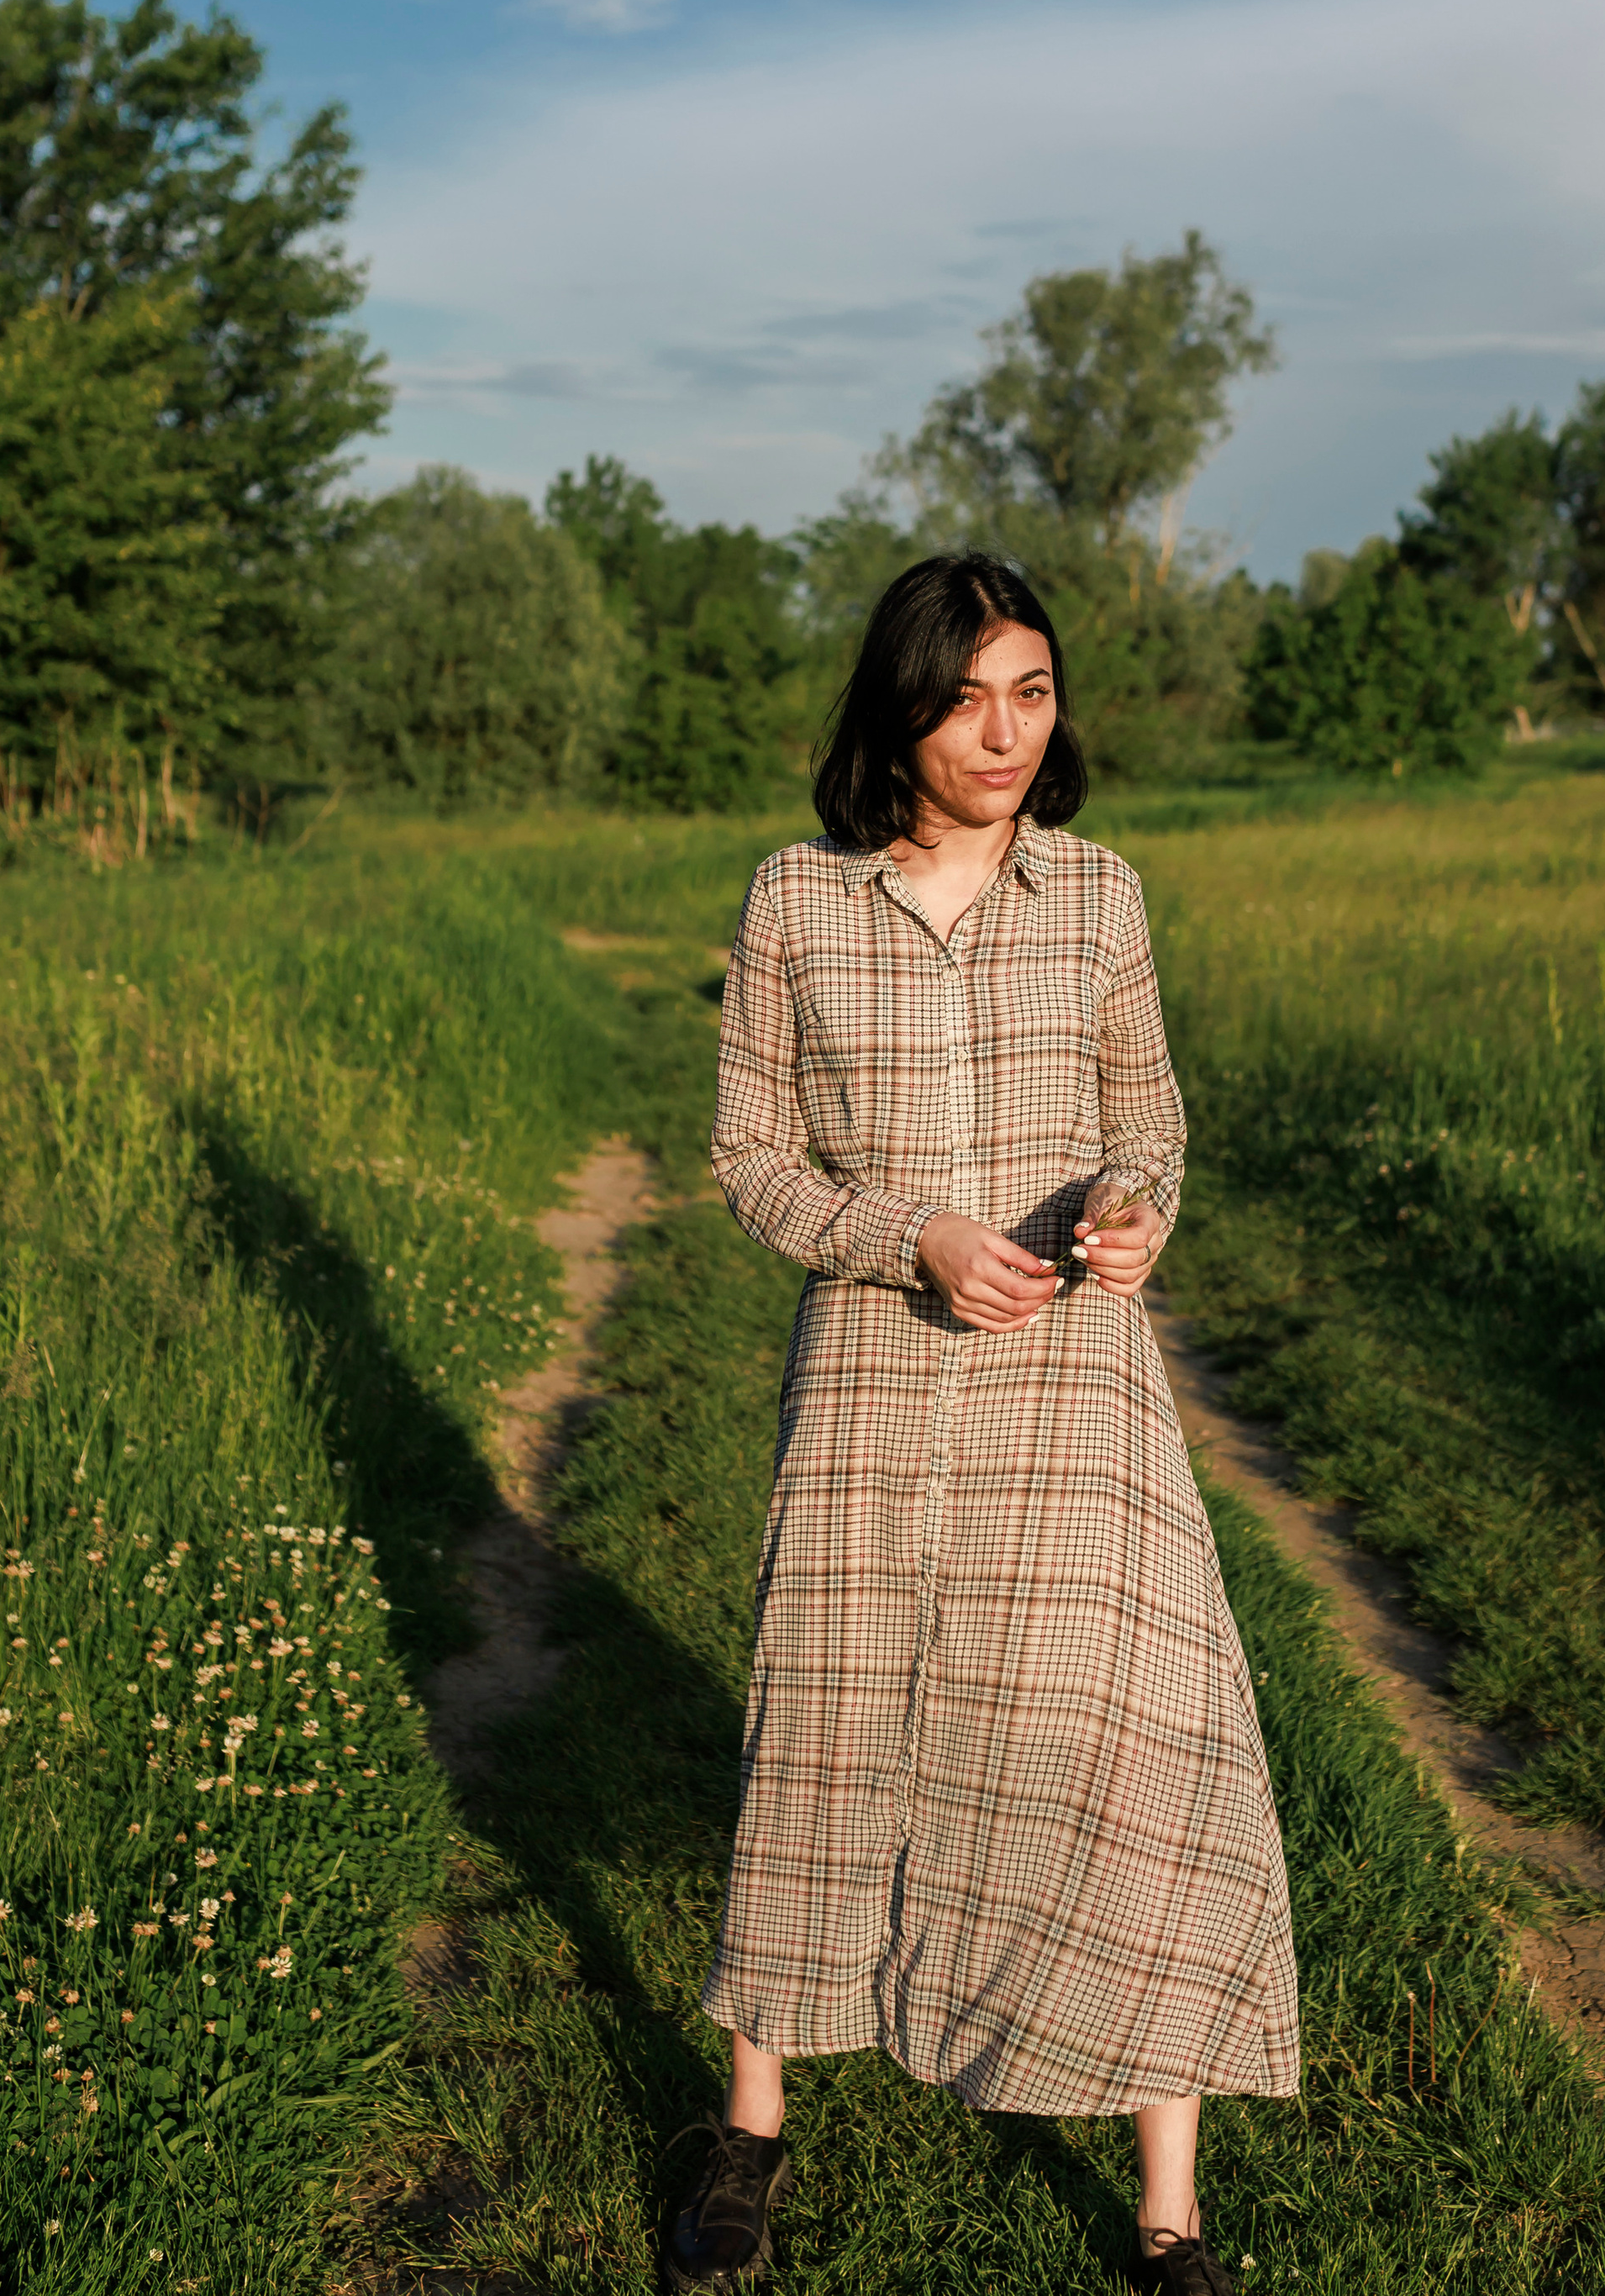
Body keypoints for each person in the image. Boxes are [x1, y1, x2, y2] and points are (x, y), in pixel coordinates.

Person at [667, 552, 1298, 2293]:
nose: (1002, 732)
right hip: (872, 1387)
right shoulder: (796, 902)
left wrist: (1132, 1211)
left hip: (1074, 1390)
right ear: (899, 708)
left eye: (1029, 693)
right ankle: (749, 2131)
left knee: (1138, 1746)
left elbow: (1150, 1123)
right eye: (965, 699)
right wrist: (908, 1237)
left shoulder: (1101, 898)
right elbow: (750, 1161)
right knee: (827, 1730)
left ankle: (1168, 2217)